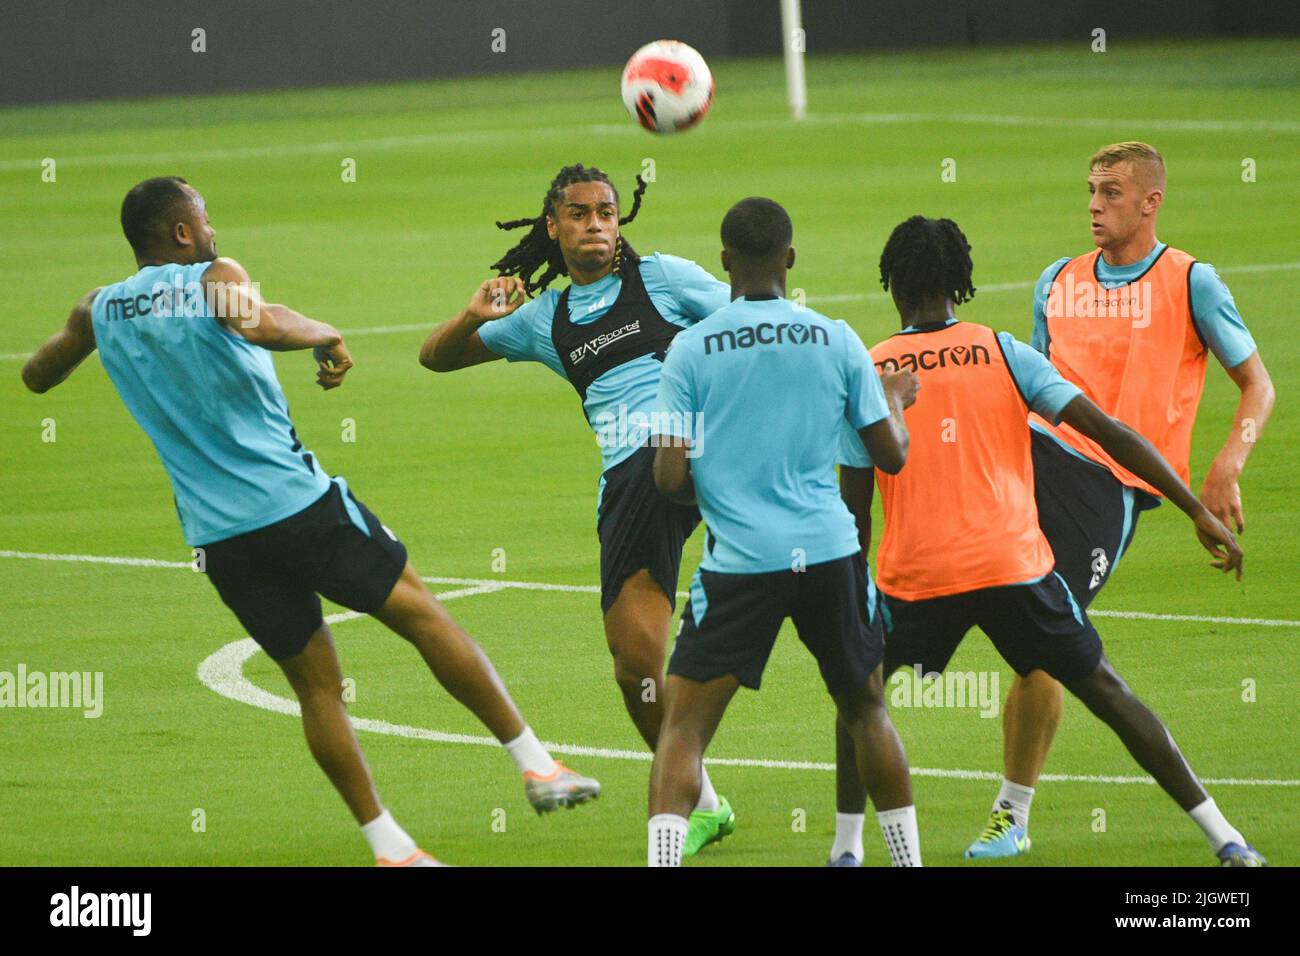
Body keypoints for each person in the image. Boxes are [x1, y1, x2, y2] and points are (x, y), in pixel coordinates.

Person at [21, 176, 599, 867]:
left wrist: (86, 339)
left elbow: (37, 375)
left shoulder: (100, 309)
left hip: (220, 538)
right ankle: (538, 767)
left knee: (316, 689)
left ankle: (391, 849)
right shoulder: (214, 274)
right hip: (297, 505)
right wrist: (326, 332)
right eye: (204, 219)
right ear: (182, 233)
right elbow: (255, 321)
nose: (212, 230)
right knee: (424, 617)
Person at [831, 215, 1264, 867]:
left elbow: (854, 510)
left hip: (917, 575)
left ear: (893, 283)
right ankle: (1225, 837)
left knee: (859, 697)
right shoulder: (1006, 352)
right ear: (961, 283)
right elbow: (1112, 434)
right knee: (1111, 696)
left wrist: (852, 595)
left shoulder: (869, 370)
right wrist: (1192, 507)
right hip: (1013, 565)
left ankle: (848, 849)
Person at [419, 164, 737, 855]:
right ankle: (703, 798)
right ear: (553, 226)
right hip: (634, 481)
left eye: (607, 213)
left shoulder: (664, 281)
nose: (596, 224)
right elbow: (434, 359)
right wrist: (474, 316)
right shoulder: (544, 319)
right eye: (580, 213)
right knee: (634, 665)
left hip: (701, 447)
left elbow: (753, 319)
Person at [969, 141, 1276, 857]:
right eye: (1090, 191)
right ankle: (1009, 813)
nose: (1095, 206)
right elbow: (1035, 386)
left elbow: (1258, 383)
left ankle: (1012, 813)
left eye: (1110, 192)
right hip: (1028, 460)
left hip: (1111, 489)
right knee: (1029, 633)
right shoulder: (1058, 279)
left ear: (1150, 202)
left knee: (1044, 644)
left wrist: (1228, 462)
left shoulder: (1192, 282)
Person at [648, 197, 921, 867]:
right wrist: (892, 399)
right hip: (829, 551)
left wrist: (719, 472)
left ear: (724, 262)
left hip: (741, 560)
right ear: (790, 258)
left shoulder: (690, 349)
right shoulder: (836, 338)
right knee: (866, 711)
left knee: (683, 729)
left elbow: (667, 477)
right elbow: (890, 457)